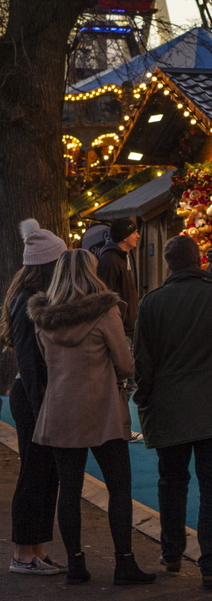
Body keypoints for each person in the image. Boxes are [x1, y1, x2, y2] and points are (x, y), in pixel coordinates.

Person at [133, 235, 212, 590]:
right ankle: (211, 565)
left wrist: (144, 398)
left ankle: (172, 552)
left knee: (172, 482)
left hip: (169, 408)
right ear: (199, 260)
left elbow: (142, 360)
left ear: (168, 264)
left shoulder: (152, 303)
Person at [27, 249, 154, 585]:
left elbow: (46, 362)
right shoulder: (105, 311)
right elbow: (125, 364)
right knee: (119, 488)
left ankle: (76, 564)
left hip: (60, 411)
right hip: (102, 411)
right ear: (91, 273)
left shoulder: (43, 318)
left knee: (68, 489)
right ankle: (124, 564)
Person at [5, 219, 65, 576]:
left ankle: (35, 550)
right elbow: (28, 362)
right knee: (34, 472)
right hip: (33, 398)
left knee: (43, 472)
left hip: (34, 396)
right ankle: (22, 553)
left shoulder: (28, 298)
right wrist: (41, 407)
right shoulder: (28, 302)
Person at [95, 217, 140, 332]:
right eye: (134, 233)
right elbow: (106, 295)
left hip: (127, 326)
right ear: (124, 237)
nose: (138, 236)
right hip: (119, 328)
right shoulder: (110, 260)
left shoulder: (123, 257)